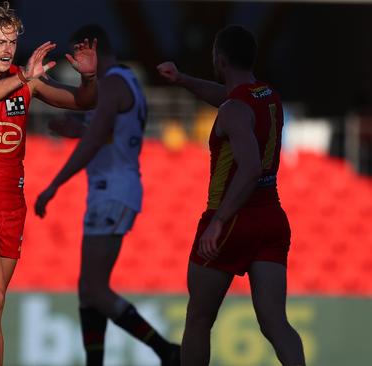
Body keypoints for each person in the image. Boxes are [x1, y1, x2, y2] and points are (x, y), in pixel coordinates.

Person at [0, 3, 98, 365]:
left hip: (12, 206)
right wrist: (24, 79)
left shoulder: (25, 79)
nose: (7, 49)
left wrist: (89, 77)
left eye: (11, 41)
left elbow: (82, 101)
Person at [157, 25, 306, 365]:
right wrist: (182, 80)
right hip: (272, 219)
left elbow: (250, 167)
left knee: (198, 319)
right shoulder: (267, 95)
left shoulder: (233, 110)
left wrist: (218, 222)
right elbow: (228, 101)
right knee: (276, 323)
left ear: (220, 60)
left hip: (233, 218)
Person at [34, 24, 180, 366]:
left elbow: (98, 137)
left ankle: (165, 350)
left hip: (113, 189)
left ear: (96, 48)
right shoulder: (124, 82)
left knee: (95, 289)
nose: (76, 63)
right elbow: (106, 130)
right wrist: (77, 128)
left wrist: (55, 184)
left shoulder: (114, 82)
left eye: (80, 54)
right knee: (88, 289)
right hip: (112, 188)